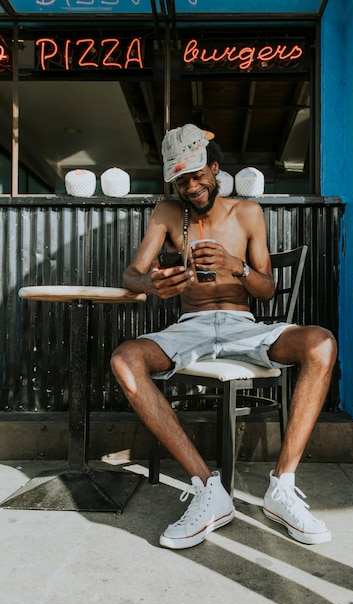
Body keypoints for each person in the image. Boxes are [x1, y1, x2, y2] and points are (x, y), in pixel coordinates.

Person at [111, 123, 337, 550]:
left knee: (321, 342)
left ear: (214, 169)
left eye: (197, 176)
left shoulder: (247, 212)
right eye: (181, 180)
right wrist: (151, 285)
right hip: (189, 327)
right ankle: (207, 490)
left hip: (242, 325)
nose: (191, 187)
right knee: (125, 359)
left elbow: (267, 288)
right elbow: (131, 273)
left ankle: (282, 487)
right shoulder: (166, 213)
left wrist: (238, 267)